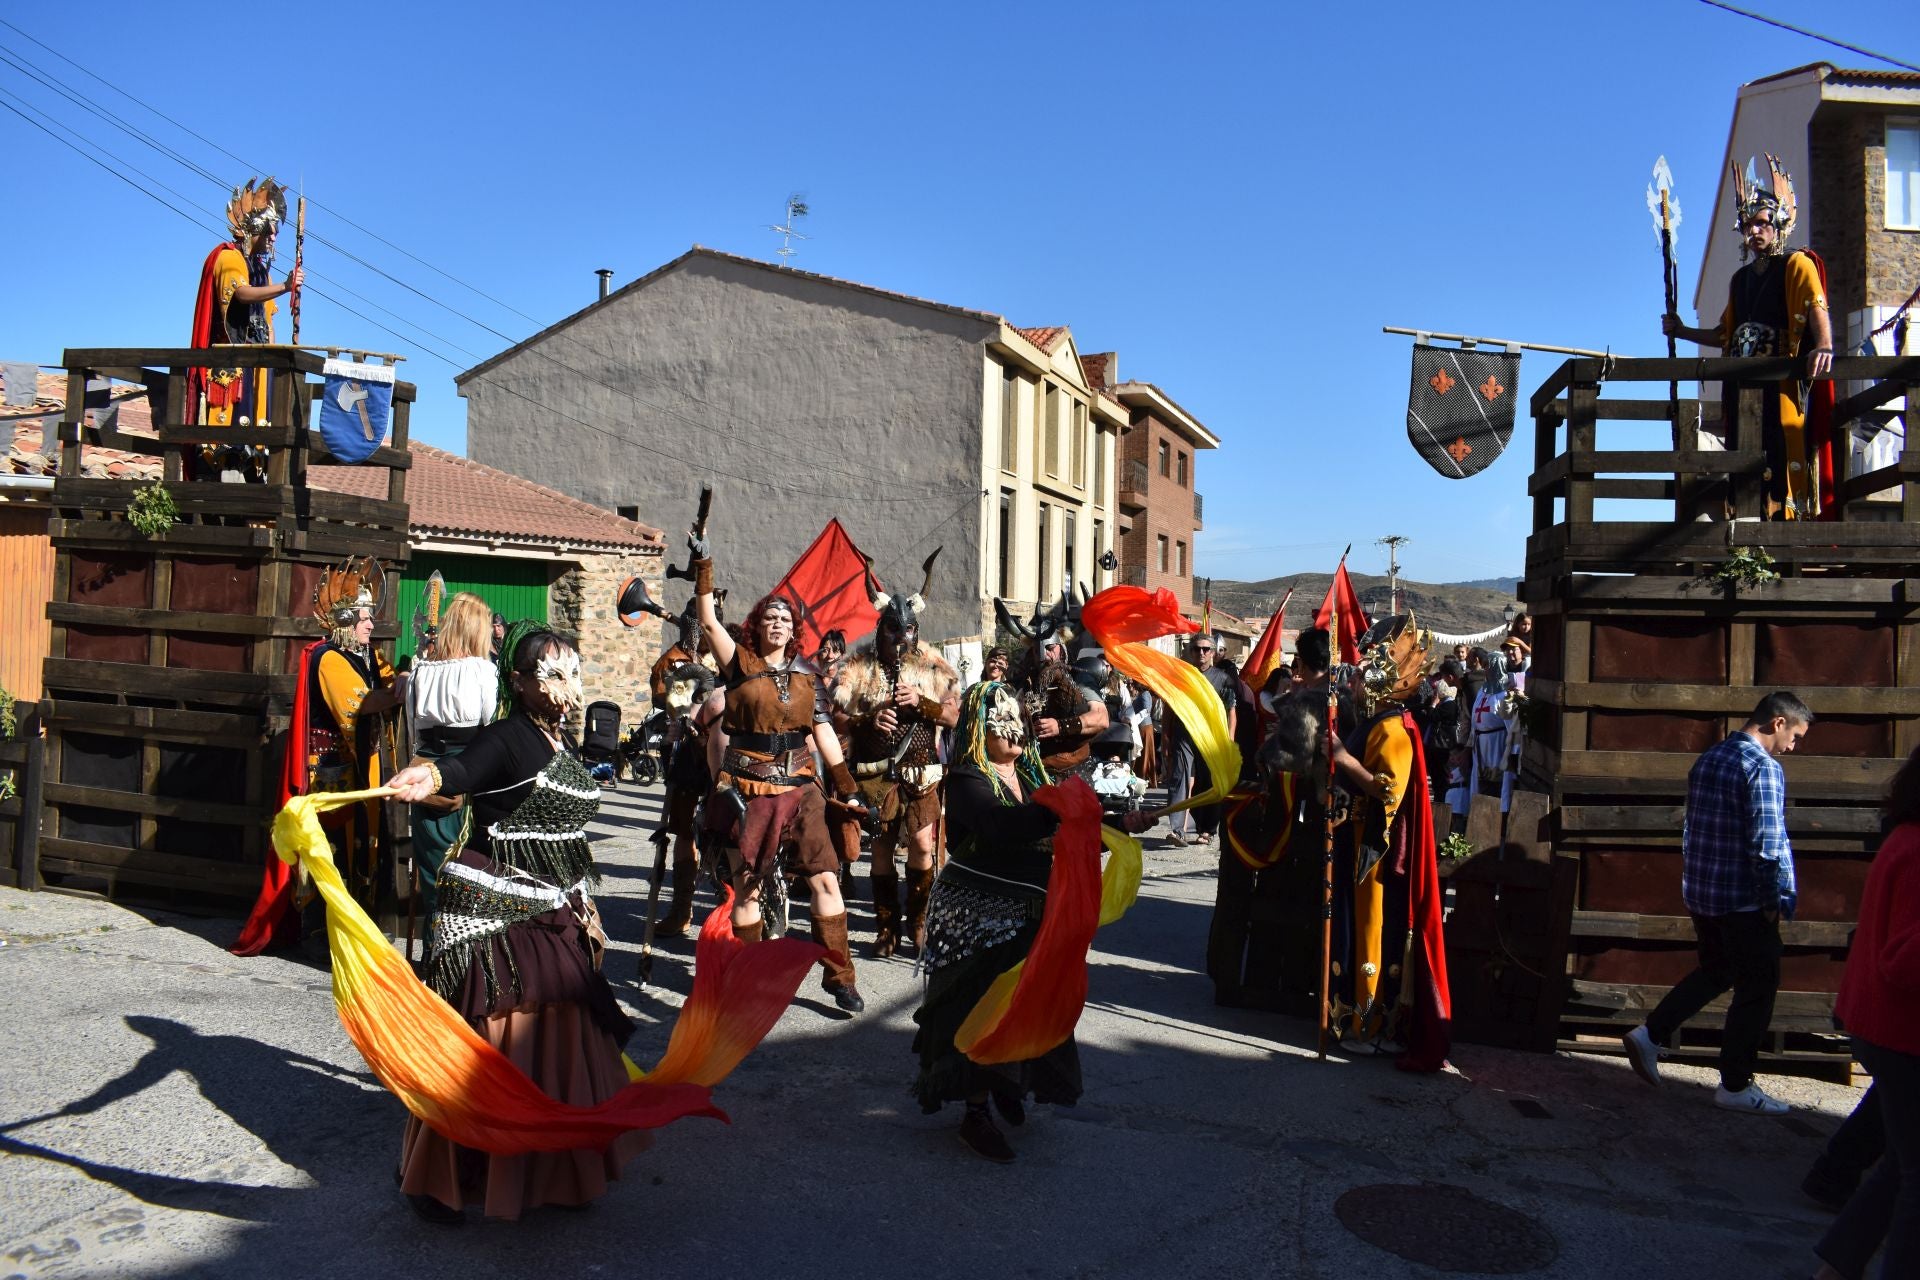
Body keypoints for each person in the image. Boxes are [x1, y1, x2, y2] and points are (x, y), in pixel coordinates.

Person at [387, 631, 641, 1223]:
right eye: (549, 674)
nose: (564, 685)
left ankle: (555, 1170)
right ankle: (440, 1179)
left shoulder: (559, 740)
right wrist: (427, 778)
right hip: (491, 907)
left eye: (571, 671)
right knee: (502, 1030)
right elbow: (461, 768)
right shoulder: (508, 734)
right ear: (520, 682)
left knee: (566, 1021)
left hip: (552, 901)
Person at [912, 681, 1149, 1161]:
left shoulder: (1032, 774)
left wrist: (1118, 825)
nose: (1014, 727)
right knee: (980, 1009)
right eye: (1001, 719)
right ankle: (975, 1112)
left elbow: (1067, 834)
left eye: (1017, 718)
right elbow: (1004, 828)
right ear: (981, 727)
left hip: (1031, 911)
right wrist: (1063, 807)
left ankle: (1008, 1082)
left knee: (1027, 1002)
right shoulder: (965, 779)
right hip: (977, 916)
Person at [689, 526, 868, 1013]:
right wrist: (704, 566)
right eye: (769, 617)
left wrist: (848, 787)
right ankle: (749, 983)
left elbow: (824, 732)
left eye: (785, 618)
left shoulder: (810, 676)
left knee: (826, 881)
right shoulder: (739, 664)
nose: (777, 623)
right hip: (747, 786)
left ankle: (840, 976)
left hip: (802, 786)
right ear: (756, 625)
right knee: (746, 888)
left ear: (795, 629)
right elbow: (707, 621)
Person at [1622, 692, 1813, 1114]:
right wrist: (1771, 900)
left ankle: (1651, 1033)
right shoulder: (1762, 767)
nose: (1793, 747)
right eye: (1795, 736)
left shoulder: (1710, 757)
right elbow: (1766, 844)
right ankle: (1735, 1083)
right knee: (1757, 989)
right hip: (1744, 900)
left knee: (1717, 971)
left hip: (1704, 894)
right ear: (1777, 723)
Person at [235, 557, 398, 956]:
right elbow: (359, 706)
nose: (371, 623)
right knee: (331, 854)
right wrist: (399, 691)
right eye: (363, 617)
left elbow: (392, 681)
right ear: (343, 621)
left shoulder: (367, 657)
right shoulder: (329, 659)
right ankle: (320, 932)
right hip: (332, 776)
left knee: (366, 847)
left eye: (370, 616)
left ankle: (356, 924)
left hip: (364, 772)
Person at [1663, 154, 1834, 521]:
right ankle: (1747, 531)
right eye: (1747, 225)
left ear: (1778, 225)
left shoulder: (1796, 264)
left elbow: (1816, 304)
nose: (1753, 231)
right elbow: (1725, 334)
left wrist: (1824, 345)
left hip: (1780, 381)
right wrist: (1682, 330)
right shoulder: (1739, 280)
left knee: (1778, 451)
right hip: (1742, 385)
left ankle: (1786, 529)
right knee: (1746, 456)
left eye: (1760, 223)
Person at [1810, 746, 1919, 1280]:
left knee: (1902, 1162)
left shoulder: (1906, 836)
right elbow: (1908, 960)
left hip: (1884, 1025)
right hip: (1904, 1031)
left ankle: (1835, 1266)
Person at [1326, 614, 1451, 1067]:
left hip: (1373, 854)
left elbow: (1388, 791)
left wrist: (1341, 757)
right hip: (1357, 845)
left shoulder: (1392, 727)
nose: (1356, 679)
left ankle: (1368, 1024)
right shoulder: (1377, 720)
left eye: (1364, 672)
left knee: (1372, 934)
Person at [831, 554, 960, 958]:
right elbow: (836, 715)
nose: (900, 638)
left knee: (923, 846)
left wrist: (924, 703)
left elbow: (955, 715)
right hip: (876, 773)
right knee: (883, 848)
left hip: (922, 771)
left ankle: (917, 922)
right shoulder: (858, 666)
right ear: (881, 629)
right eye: (893, 630)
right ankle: (886, 928)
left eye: (907, 631)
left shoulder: (934, 665)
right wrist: (868, 718)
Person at [187, 177, 302, 481]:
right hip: (230, 370)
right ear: (256, 229)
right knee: (229, 448)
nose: (275, 238)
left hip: (258, 372)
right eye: (271, 231)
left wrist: (279, 360)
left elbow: (268, 322)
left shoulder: (261, 270)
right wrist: (285, 286)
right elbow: (240, 293)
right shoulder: (229, 258)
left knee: (259, 443)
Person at [404, 592, 498, 920]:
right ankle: (454, 956)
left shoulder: (420, 671)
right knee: (464, 864)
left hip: (425, 766)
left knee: (432, 867)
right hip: (465, 768)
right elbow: (491, 724)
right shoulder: (482, 671)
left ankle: (434, 953)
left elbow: (412, 727)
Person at [647, 597, 722, 937]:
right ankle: (681, 911)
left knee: (724, 835)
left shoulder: (726, 655)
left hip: (721, 760)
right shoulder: (673, 662)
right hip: (687, 758)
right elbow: (670, 708)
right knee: (681, 832)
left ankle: (728, 911)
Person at [1165, 634, 1237, 847]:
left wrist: (1230, 740)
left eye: (1206, 649)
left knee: (1207, 783)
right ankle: (1177, 830)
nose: (1201, 653)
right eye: (1197, 649)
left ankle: (1207, 829)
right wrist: (1167, 739)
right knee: (1180, 779)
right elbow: (1170, 708)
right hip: (1184, 735)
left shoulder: (1223, 679)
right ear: (1189, 652)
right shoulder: (1180, 677)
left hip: (1211, 738)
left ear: (1213, 653)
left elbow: (1231, 711)